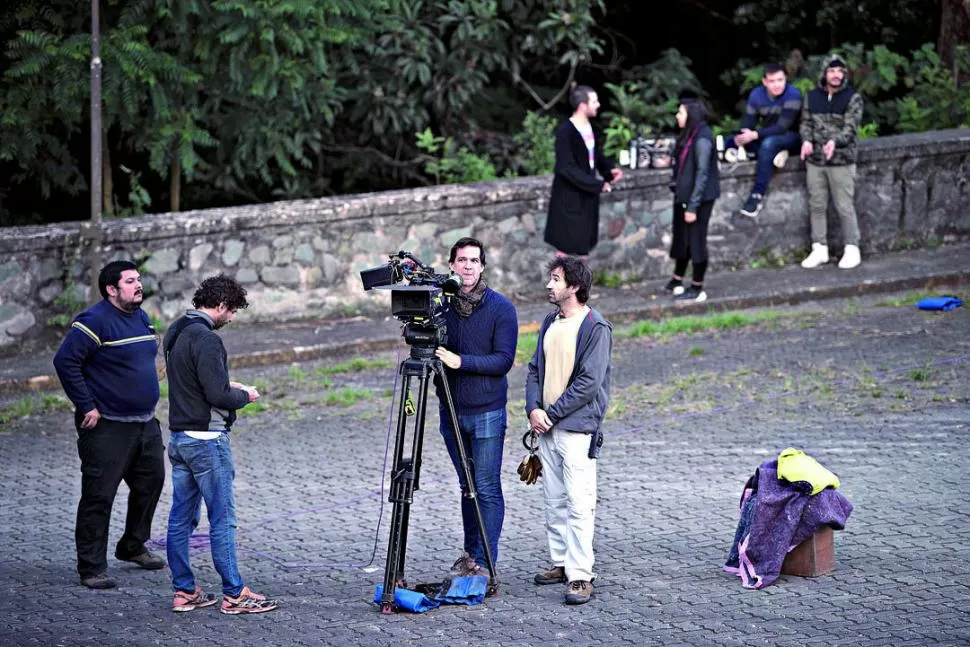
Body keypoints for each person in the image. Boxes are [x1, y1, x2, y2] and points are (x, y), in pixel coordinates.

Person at [163, 274, 279, 614]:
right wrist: (245, 395)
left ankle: (184, 592)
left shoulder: (176, 329)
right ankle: (234, 594)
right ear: (222, 305)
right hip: (207, 442)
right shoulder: (208, 339)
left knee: (180, 520)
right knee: (223, 519)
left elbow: (190, 378)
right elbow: (217, 394)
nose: (231, 319)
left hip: (180, 438)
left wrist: (226, 383)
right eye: (232, 312)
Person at [52, 260, 167, 590]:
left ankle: (132, 546)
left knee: (151, 483)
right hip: (107, 428)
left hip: (144, 423)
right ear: (111, 289)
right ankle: (91, 568)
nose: (138, 285)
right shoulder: (94, 321)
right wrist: (86, 404)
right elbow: (65, 361)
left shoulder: (141, 317)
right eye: (130, 281)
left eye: (139, 279)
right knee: (99, 496)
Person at [525, 256, 612, 606]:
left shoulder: (595, 328)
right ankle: (560, 563)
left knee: (579, 504)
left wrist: (550, 413)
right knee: (554, 501)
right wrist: (533, 409)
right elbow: (534, 369)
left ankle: (580, 575)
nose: (549, 285)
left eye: (556, 279)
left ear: (574, 287)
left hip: (576, 429)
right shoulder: (550, 321)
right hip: (546, 428)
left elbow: (589, 383)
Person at [434, 237, 518, 582]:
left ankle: (486, 561)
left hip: (487, 411)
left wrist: (460, 361)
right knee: (466, 486)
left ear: (482, 267)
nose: (467, 266)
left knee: (485, 487)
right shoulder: (439, 307)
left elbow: (503, 361)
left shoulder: (501, 308)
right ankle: (471, 555)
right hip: (451, 411)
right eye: (461, 260)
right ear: (451, 265)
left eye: (474, 260)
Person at [799, 54, 865, 270]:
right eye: (832, 71)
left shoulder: (852, 97)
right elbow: (806, 122)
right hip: (815, 160)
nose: (836, 75)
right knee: (816, 204)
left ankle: (852, 248)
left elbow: (851, 128)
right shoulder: (812, 97)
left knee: (844, 205)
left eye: (840, 71)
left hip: (841, 160)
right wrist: (807, 140)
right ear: (824, 73)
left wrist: (834, 142)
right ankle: (819, 248)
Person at [544, 85, 624, 258]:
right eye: (594, 101)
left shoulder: (589, 127)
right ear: (582, 105)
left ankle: (580, 285)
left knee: (583, 250)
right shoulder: (565, 132)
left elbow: (594, 155)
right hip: (568, 199)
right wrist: (597, 184)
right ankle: (560, 285)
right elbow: (566, 168)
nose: (598, 105)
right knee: (564, 250)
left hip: (586, 198)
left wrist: (609, 171)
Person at [723, 63, 803, 217]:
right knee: (730, 140)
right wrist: (743, 135)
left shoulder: (793, 95)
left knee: (769, 144)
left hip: (792, 136)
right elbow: (748, 123)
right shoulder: (756, 95)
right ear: (764, 82)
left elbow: (782, 127)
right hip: (766, 135)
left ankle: (757, 195)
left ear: (785, 79)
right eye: (772, 81)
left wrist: (753, 135)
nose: (777, 84)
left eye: (780, 80)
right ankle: (775, 154)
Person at [665, 99, 721, 303]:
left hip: (698, 199)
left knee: (696, 240)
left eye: (680, 113)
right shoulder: (690, 135)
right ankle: (677, 278)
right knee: (682, 237)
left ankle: (697, 287)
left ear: (691, 115)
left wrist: (693, 206)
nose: (677, 116)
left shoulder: (702, 138)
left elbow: (703, 174)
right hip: (685, 196)